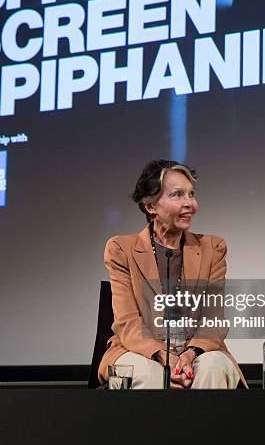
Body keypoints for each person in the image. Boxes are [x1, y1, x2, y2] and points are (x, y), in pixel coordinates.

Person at [98, 159, 248, 389]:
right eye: (178, 195)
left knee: (212, 368)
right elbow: (127, 323)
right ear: (151, 206)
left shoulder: (213, 248)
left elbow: (213, 320)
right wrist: (164, 357)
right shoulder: (121, 250)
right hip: (140, 351)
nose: (190, 203)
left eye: (191, 194)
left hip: (197, 350)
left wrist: (187, 356)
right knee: (150, 377)